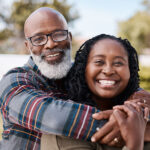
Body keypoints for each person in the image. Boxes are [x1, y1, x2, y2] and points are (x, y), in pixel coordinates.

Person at [0, 7, 149, 150]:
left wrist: (138, 104)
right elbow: (53, 117)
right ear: (28, 46)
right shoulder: (14, 81)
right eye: (38, 39)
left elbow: (126, 89)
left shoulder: (81, 73)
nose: (50, 44)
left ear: (69, 37)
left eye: (58, 34)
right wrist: (129, 127)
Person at [41, 34, 150, 150]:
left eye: (118, 63)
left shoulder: (141, 114)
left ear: (130, 71)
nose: (108, 71)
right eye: (99, 62)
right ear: (83, 69)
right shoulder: (64, 130)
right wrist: (135, 141)